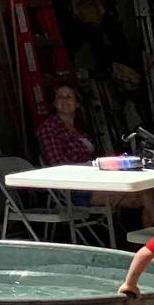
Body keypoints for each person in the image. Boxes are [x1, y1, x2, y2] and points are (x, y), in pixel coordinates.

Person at [36, 79, 154, 229]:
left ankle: (146, 241)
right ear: (54, 103)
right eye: (60, 97)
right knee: (145, 193)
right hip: (74, 189)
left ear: (77, 103)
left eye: (69, 97)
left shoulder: (80, 129)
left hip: (96, 180)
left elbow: (93, 160)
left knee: (148, 190)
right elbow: (57, 165)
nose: (64, 100)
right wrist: (91, 167)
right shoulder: (48, 128)